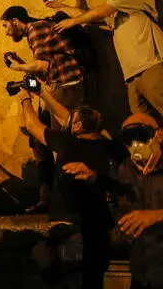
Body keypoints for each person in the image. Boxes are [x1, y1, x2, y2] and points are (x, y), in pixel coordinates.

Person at [19, 84, 122, 289]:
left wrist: (25, 99)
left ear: (77, 127)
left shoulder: (68, 144)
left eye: (72, 124)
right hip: (99, 234)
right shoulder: (107, 146)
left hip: (72, 232)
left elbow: (32, 126)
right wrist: (43, 93)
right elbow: (68, 118)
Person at [54, 0, 163, 122]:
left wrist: (73, 22)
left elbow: (102, 11)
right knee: (144, 129)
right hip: (132, 76)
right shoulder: (124, 3)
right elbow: (93, 17)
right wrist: (61, 6)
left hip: (151, 65)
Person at [63, 113, 163, 289]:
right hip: (142, 273)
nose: (134, 144)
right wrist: (92, 176)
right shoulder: (126, 169)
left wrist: (157, 215)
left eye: (140, 135)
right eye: (128, 139)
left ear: (159, 135)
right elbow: (113, 186)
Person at [1, 5, 86, 112]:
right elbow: (44, 69)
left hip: (66, 86)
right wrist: (20, 62)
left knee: (64, 127)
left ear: (14, 21)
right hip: (67, 87)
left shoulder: (36, 29)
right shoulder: (35, 30)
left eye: (5, 26)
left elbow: (41, 65)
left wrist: (17, 67)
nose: (6, 32)